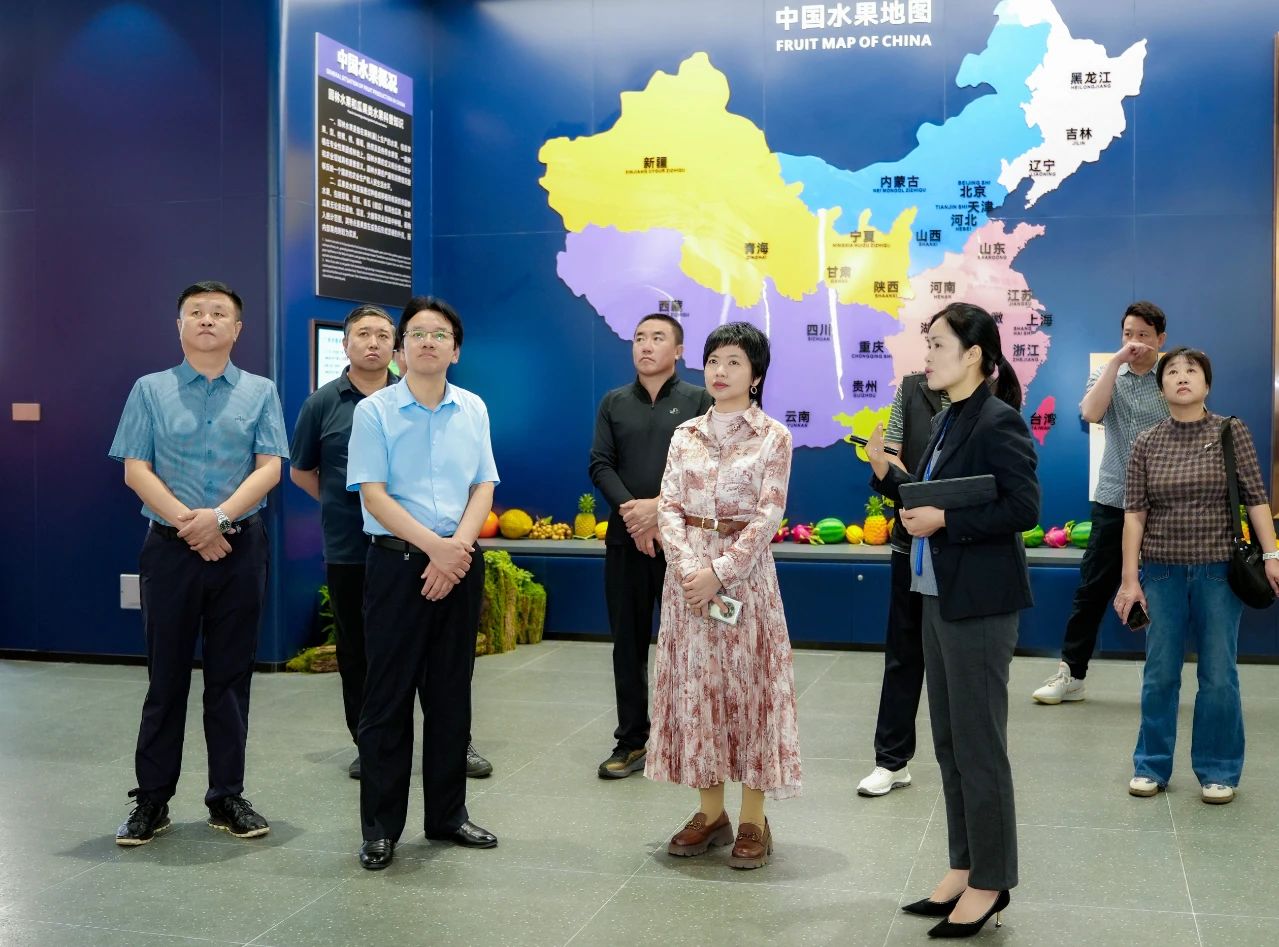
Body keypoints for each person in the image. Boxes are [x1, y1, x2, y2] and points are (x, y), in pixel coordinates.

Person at [866, 302, 1039, 937]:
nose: (928, 355)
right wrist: (891, 481)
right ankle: (964, 865)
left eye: (938, 344)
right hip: (937, 595)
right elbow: (930, 497)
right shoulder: (945, 420)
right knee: (949, 742)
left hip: (980, 605)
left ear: (974, 355)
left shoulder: (998, 420)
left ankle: (991, 880)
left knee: (979, 745)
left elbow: (1023, 507)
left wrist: (947, 521)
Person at [109, 280, 288, 846]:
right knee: (165, 679)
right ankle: (151, 801)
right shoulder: (149, 389)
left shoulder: (260, 391)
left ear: (238, 328)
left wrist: (221, 519)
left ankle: (226, 796)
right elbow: (135, 469)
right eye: (196, 312)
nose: (207, 320)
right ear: (179, 325)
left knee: (230, 679)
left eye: (218, 313)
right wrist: (193, 525)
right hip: (170, 550)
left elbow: (269, 467)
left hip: (241, 549)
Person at [346, 295, 499, 870]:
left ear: (455, 350)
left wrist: (455, 551)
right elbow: (373, 495)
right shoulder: (375, 411)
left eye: (440, 335)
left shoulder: (473, 408)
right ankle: (381, 828)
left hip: (458, 563)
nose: (428, 342)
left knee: (451, 694)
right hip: (397, 565)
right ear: (400, 350)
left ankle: (448, 817)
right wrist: (435, 548)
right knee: (386, 699)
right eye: (416, 334)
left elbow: (484, 484)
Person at [646, 321, 801, 871]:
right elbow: (667, 506)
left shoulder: (774, 437)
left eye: (734, 361)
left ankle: (754, 819)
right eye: (714, 360)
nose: (720, 371)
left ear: (755, 375)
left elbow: (768, 514)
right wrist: (690, 570)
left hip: (744, 582)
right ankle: (710, 814)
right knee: (700, 691)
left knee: (751, 692)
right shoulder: (685, 433)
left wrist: (720, 571)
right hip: (688, 583)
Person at [1114, 348, 1279, 805]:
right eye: (1172, 371)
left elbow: (1256, 498)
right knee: (1160, 674)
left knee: (1219, 674)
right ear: (1161, 386)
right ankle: (1151, 765)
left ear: (1206, 384)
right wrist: (1130, 579)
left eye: (1192, 371)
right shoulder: (1146, 442)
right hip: (1161, 573)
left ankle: (1218, 769)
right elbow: (1134, 515)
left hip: (1218, 573)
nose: (1182, 377)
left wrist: (1272, 554)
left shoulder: (1230, 431)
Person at [589, 313, 712, 779]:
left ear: (678, 351)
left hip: (683, 545)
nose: (645, 345)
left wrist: (658, 511)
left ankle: (689, 737)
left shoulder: (700, 400)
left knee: (688, 643)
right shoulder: (614, 402)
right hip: (627, 540)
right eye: (639, 337)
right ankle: (632, 741)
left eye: (658, 337)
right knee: (627, 644)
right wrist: (634, 514)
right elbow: (600, 464)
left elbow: (705, 469)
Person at [1032, 302, 1169, 704]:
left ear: (1161, 339)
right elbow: (1091, 412)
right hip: (1114, 497)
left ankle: (1164, 681)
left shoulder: (1172, 375)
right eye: (1128, 333)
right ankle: (1071, 675)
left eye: (1144, 335)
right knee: (1092, 589)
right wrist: (1115, 363)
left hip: (1166, 501)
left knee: (1167, 591)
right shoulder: (1107, 372)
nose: (1135, 342)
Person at [289, 305, 398, 780]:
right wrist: (345, 503)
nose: (373, 343)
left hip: (409, 545)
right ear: (347, 344)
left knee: (417, 646)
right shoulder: (321, 403)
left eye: (383, 335)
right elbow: (301, 471)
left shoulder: (412, 396)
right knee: (356, 650)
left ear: (394, 345)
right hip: (349, 547)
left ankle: (451, 740)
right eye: (363, 334)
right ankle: (368, 742)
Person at [857, 373, 947, 797]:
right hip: (910, 541)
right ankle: (891, 762)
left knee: (959, 663)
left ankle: (967, 764)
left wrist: (934, 504)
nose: (929, 355)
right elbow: (892, 455)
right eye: (929, 344)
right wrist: (890, 469)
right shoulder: (911, 389)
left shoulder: (992, 393)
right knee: (903, 655)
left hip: (965, 548)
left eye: (938, 345)